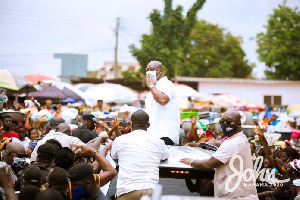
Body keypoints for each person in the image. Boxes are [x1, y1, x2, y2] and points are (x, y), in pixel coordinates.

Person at [180, 109, 258, 199]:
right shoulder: (240, 138)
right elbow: (219, 144)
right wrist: (195, 144)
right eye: (222, 121)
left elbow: (208, 164)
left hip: (237, 197)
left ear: (239, 124)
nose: (224, 124)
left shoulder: (232, 143)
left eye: (228, 121)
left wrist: (190, 161)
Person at [111, 110, 169, 200]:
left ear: (130, 124)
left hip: (126, 191)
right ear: (148, 125)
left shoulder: (119, 140)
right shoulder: (159, 142)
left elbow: (114, 156)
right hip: (149, 191)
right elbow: (165, 156)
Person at [145, 60, 180, 145]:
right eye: (147, 70)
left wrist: (151, 86)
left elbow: (163, 100)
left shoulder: (167, 84)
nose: (149, 72)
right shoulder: (153, 88)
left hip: (165, 135)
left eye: (152, 69)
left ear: (160, 71)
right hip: (153, 134)